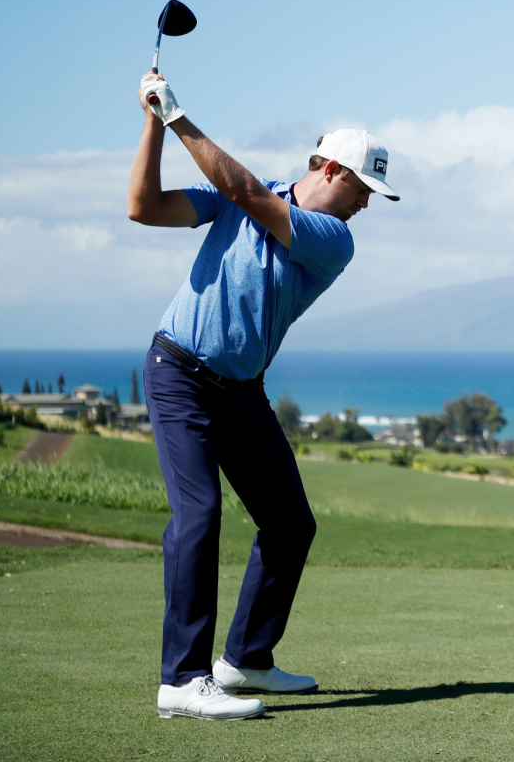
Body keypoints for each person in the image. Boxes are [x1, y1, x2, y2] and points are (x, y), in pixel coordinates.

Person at [128, 72, 398, 720]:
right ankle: (182, 680)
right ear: (330, 169)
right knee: (200, 515)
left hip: (240, 392)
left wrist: (178, 117)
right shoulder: (235, 201)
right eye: (362, 188)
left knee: (289, 523)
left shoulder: (333, 240)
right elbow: (142, 205)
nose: (364, 205)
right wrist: (153, 121)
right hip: (179, 374)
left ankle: (246, 659)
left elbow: (244, 190)